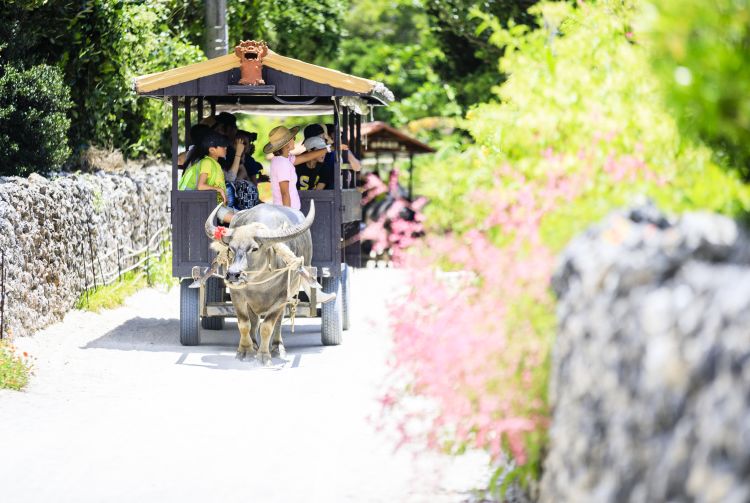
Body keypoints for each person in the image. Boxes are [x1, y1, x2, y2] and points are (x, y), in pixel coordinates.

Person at [264, 125, 327, 210]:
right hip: (288, 212)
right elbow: (285, 193)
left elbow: (306, 157)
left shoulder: (284, 159)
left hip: (289, 210)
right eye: (293, 138)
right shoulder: (282, 163)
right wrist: (288, 214)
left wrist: (329, 149)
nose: (294, 140)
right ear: (287, 143)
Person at [178, 131, 234, 223]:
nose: (226, 148)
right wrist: (219, 190)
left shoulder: (214, 163)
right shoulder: (207, 162)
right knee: (237, 220)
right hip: (198, 204)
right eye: (222, 146)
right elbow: (201, 186)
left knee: (243, 217)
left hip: (211, 204)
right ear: (212, 150)